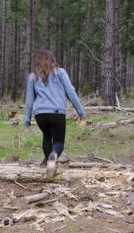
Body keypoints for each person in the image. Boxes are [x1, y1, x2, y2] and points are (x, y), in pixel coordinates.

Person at [24, 49, 86, 178]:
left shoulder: (32, 76)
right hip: (57, 113)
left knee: (47, 136)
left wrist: (27, 119)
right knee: (58, 142)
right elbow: (71, 92)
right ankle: (53, 158)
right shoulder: (61, 73)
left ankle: (49, 165)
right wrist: (81, 112)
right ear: (52, 59)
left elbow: (29, 100)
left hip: (40, 114)